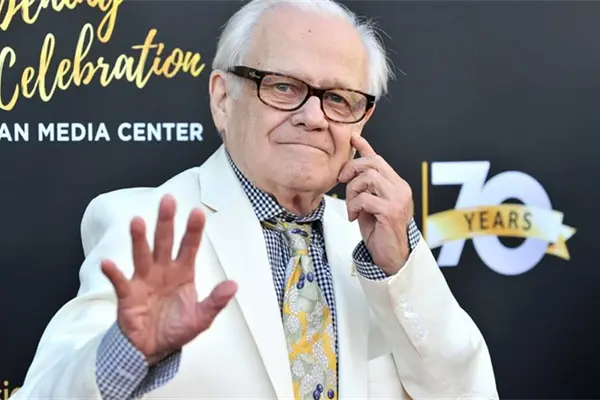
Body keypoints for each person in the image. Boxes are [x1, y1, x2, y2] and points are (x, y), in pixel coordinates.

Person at [13, 0, 498, 399]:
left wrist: (400, 270)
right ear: (223, 99)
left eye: (338, 98)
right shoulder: (145, 222)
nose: (314, 118)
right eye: (283, 87)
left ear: (361, 120)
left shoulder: (378, 245)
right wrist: (129, 352)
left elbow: (467, 391)